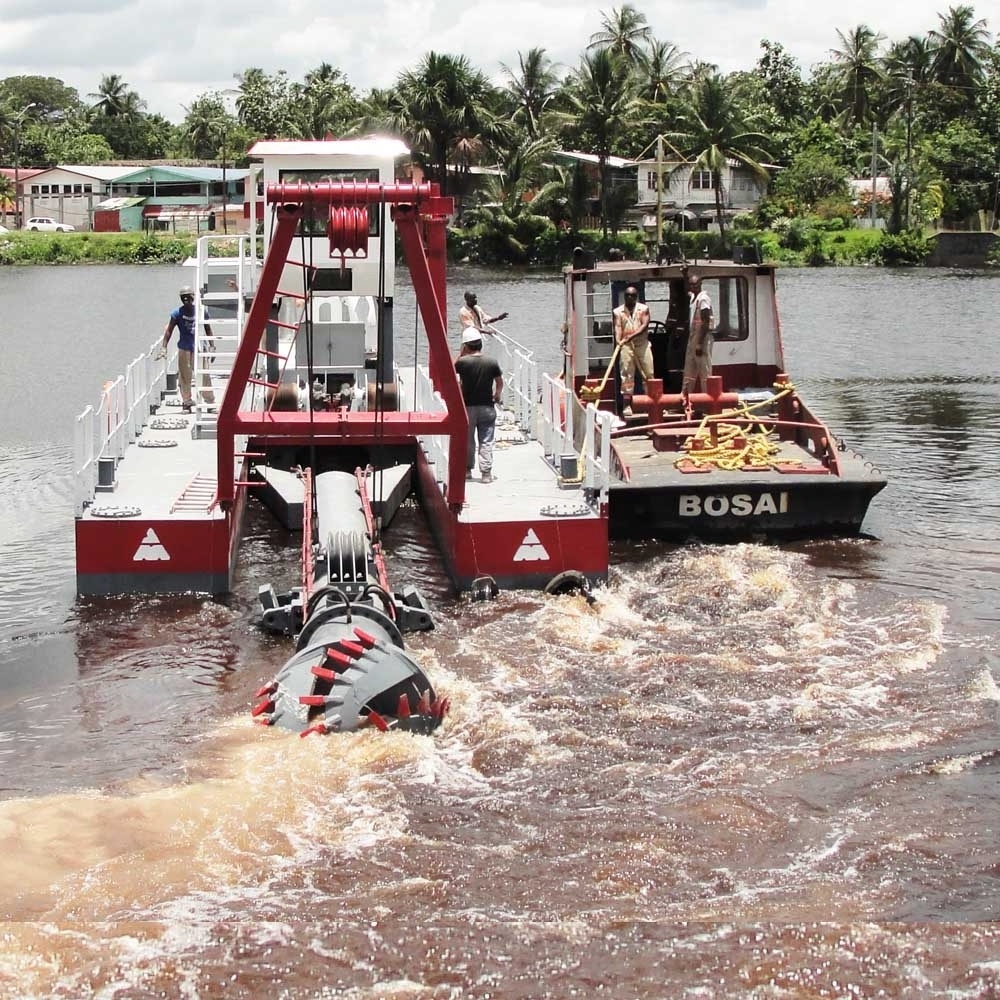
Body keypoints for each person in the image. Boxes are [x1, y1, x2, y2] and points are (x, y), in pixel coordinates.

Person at [455, 327, 504, 484]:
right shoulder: (491, 362)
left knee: (468, 440)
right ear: (481, 344)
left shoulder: (462, 362)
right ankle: (486, 474)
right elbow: (499, 382)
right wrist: (497, 394)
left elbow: (451, 371)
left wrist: (461, 353)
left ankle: (467, 471)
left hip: (468, 408)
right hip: (487, 408)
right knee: (486, 440)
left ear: (466, 345)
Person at [160, 285, 215, 412]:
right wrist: (164, 347)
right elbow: (169, 331)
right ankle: (187, 402)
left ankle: (209, 402)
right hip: (184, 347)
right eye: (183, 298)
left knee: (204, 375)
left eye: (188, 297)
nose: (186, 300)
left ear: (193, 297)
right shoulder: (177, 313)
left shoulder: (201, 312)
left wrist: (212, 346)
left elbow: (208, 329)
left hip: (199, 347)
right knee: (185, 377)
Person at [612, 285, 653, 401]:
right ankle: (627, 404)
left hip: (642, 345)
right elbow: (618, 327)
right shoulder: (617, 312)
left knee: (648, 372)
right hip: (626, 346)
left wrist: (631, 336)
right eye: (628, 295)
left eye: (633, 295)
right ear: (624, 297)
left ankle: (651, 401)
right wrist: (618, 340)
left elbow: (644, 326)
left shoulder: (644, 309)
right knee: (626, 374)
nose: (630, 297)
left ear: (636, 297)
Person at [682, 271, 714, 395]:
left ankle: (708, 400)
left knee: (704, 370)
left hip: (702, 337)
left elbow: (705, 322)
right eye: (691, 285)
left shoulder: (703, 299)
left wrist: (700, 343)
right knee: (689, 369)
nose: (693, 287)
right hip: (693, 336)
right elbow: (687, 291)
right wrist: (684, 275)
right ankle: (685, 399)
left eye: (695, 285)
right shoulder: (693, 297)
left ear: (700, 284)